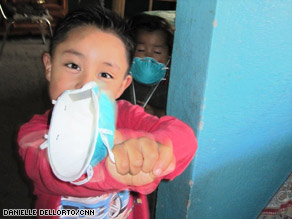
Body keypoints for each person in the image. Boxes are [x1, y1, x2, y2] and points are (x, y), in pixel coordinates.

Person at [17, 6, 197, 219]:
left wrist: (155, 151)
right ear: (49, 67)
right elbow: (51, 169)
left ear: (123, 85)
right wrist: (114, 167)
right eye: (73, 65)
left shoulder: (126, 115)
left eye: (104, 74)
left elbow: (184, 137)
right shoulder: (33, 134)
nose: (86, 85)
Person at [119, 13, 174, 117]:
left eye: (157, 52)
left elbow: (177, 115)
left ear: (169, 56)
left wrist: (157, 113)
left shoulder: (172, 87)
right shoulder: (119, 80)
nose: (148, 56)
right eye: (140, 50)